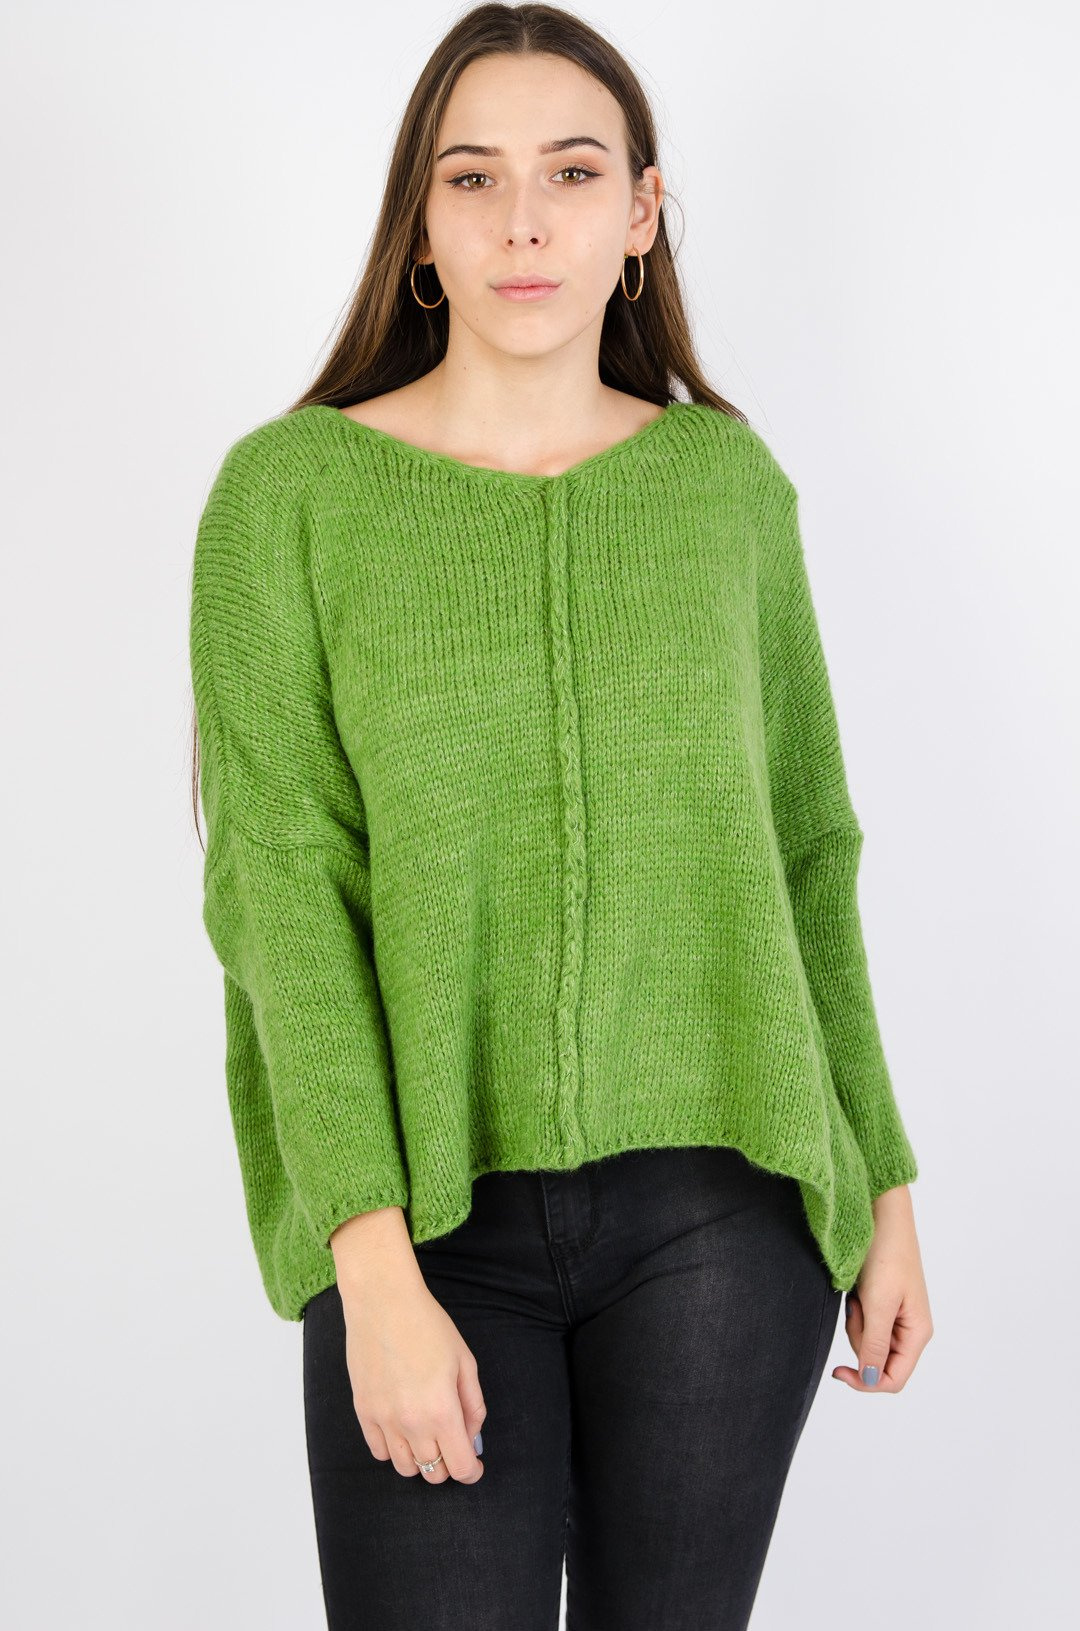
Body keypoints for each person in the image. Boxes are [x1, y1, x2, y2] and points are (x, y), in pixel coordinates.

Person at [188, 6, 933, 1628]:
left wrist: (883, 1188)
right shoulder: (287, 498)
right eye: (474, 177)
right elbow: (280, 892)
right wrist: (369, 1268)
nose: (524, 220)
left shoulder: (726, 490)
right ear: (423, 225)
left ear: (642, 214)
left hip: (727, 1210)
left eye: (573, 173)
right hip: (425, 1221)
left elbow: (808, 848)